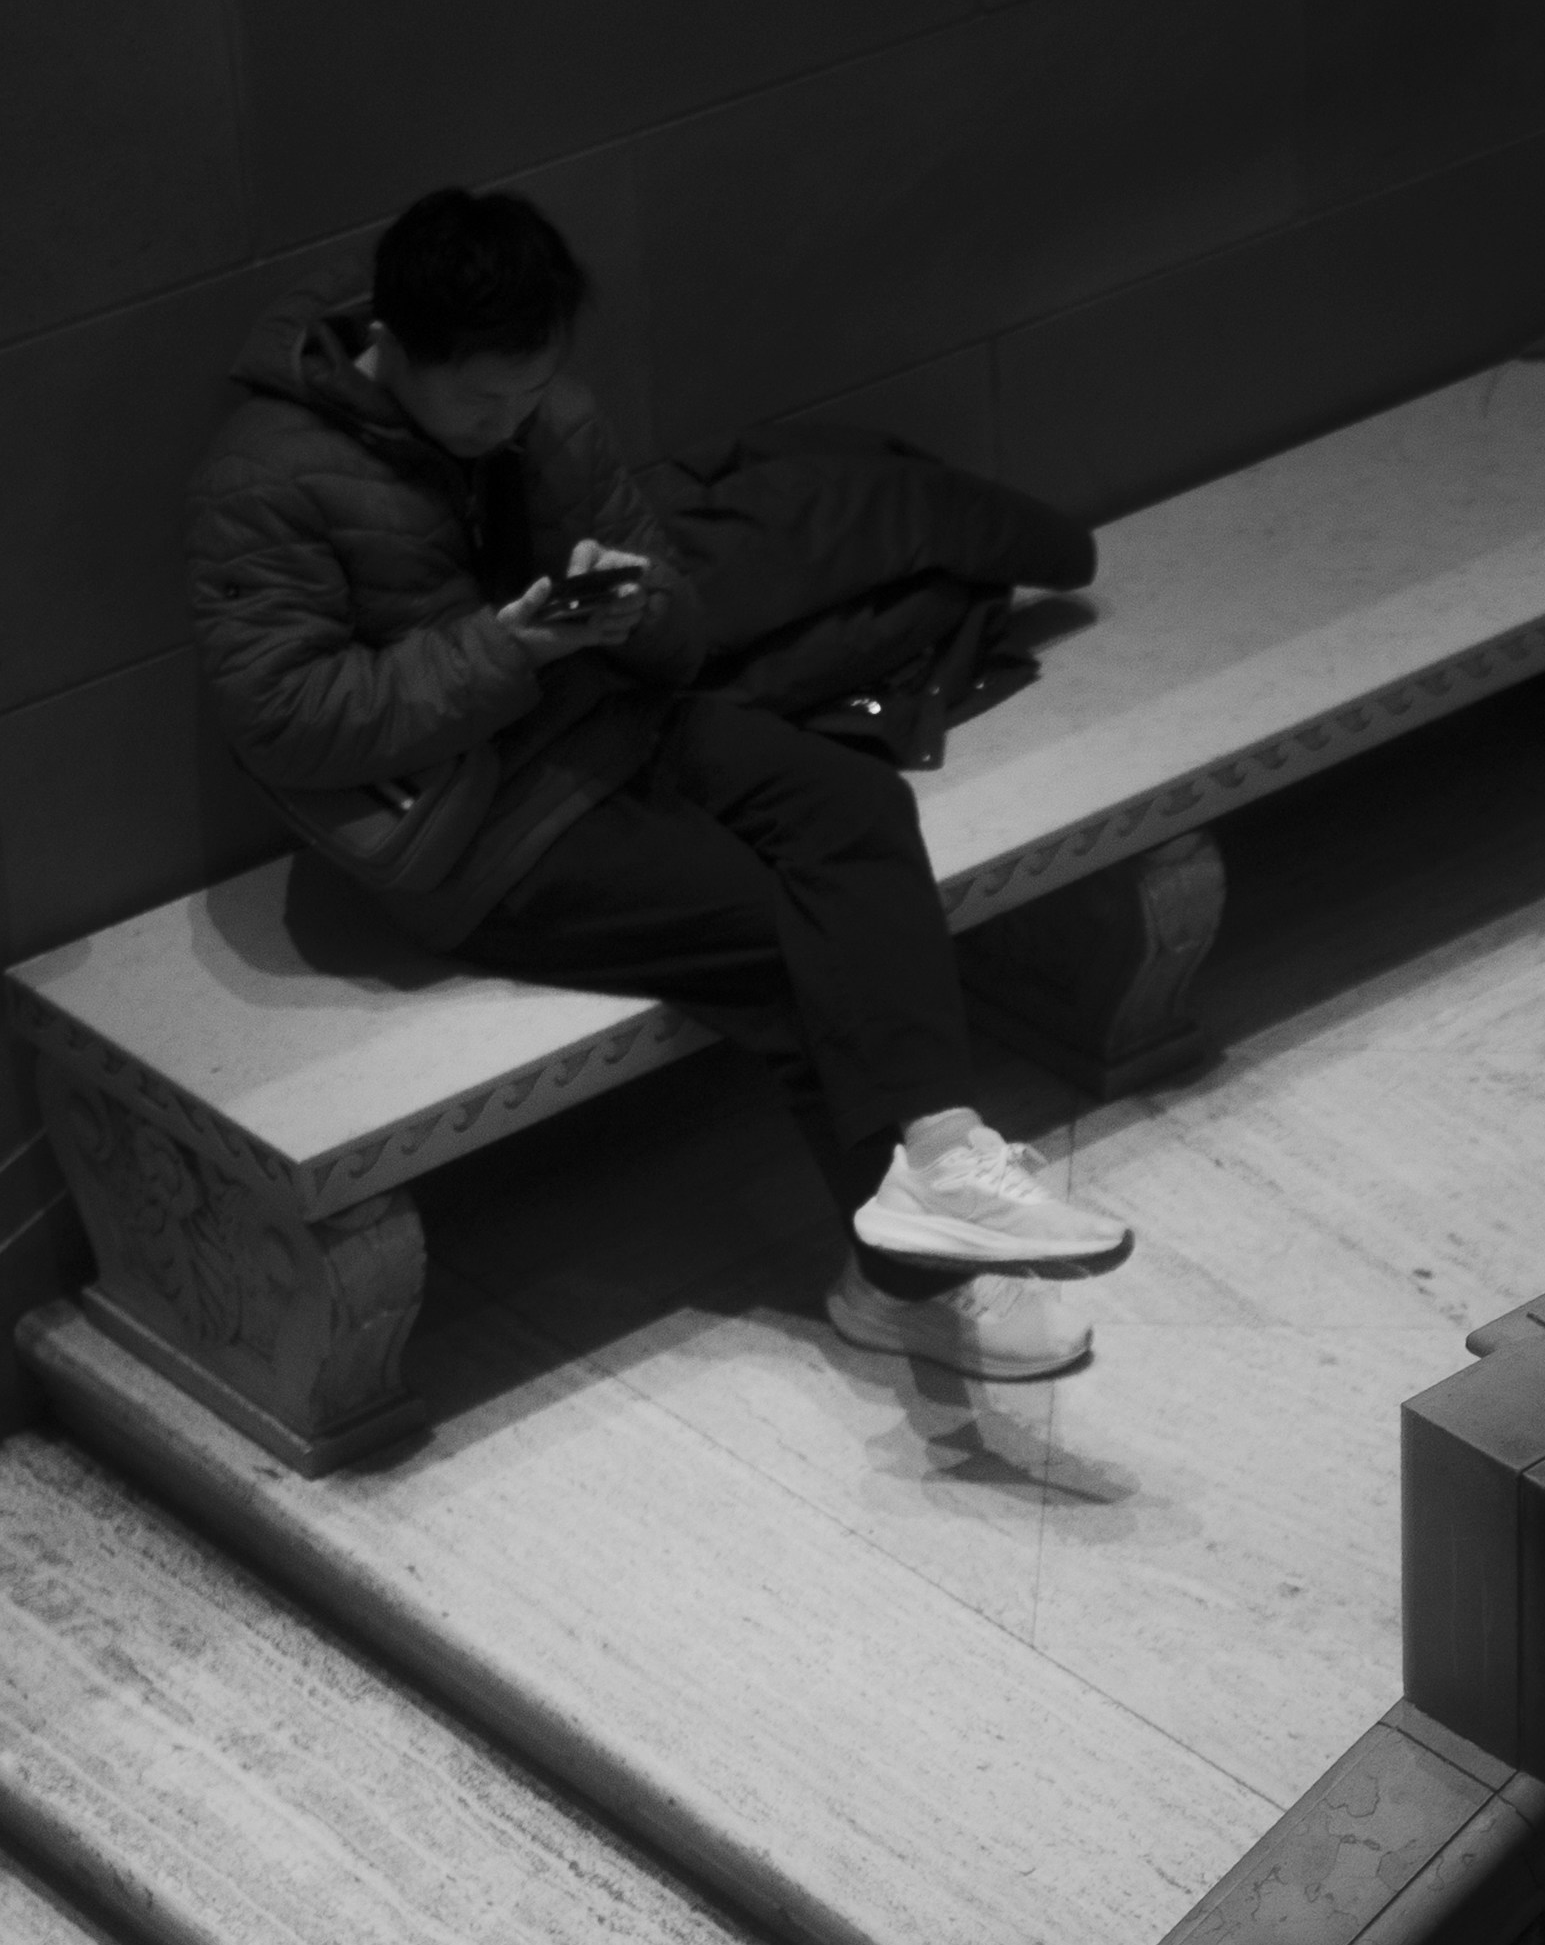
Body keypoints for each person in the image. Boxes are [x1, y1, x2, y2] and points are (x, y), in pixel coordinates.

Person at [187, 186, 1130, 1381]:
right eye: (483, 395)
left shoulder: (544, 421)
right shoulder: (262, 480)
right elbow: (288, 721)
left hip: (613, 722)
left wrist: (633, 613)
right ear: (397, 353)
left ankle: (941, 1154)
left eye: (531, 386)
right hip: (469, 831)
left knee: (854, 805)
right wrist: (509, 647)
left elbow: (681, 636)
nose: (510, 416)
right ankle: (905, 1290)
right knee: (781, 933)